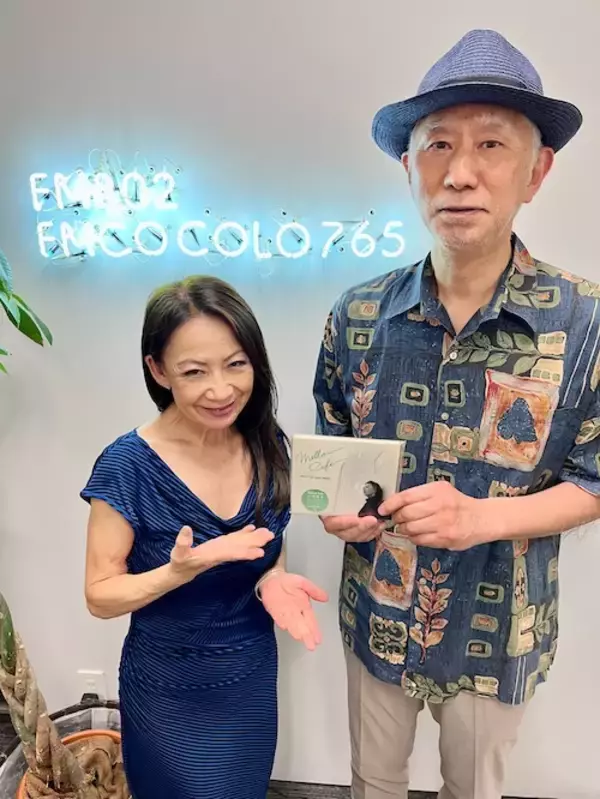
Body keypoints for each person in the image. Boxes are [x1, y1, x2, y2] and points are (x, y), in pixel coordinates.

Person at [313, 28, 599, 799]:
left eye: (491, 145)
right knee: (371, 781)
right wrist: (339, 510)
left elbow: (597, 475)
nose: (460, 172)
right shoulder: (358, 313)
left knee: (473, 790)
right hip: (377, 605)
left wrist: (483, 519)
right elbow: (334, 446)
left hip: (498, 626)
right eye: (437, 144)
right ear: (409, 167)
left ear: (537, 170)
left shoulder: (585, 321)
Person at [81, 275, 328, 799]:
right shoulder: (127, 465)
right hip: (167, 688)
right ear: (158, 370)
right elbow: (100, 595)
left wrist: (272, 580)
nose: (221, 390)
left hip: (249, 676)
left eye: (236, 364)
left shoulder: (265, 441)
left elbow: (267, 543)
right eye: (194, 371)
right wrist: (179, 571)